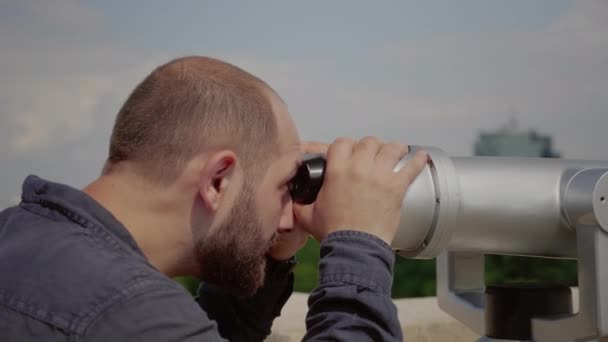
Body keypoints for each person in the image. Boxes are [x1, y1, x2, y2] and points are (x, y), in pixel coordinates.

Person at [0, 56, 428, 341]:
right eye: (283, 187)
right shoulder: (125, 312)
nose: (286, 219)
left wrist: (271, 257)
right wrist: (359, 243)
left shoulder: (25, 239)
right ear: (218, 180)